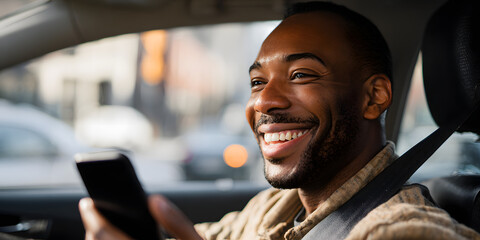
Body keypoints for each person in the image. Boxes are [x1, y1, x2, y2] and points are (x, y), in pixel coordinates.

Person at [79, 1, 480, 239]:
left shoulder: (403, 230)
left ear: (374, 97)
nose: (265, 101)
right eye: (257, 81)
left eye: (302, 75)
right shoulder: (276, 207)